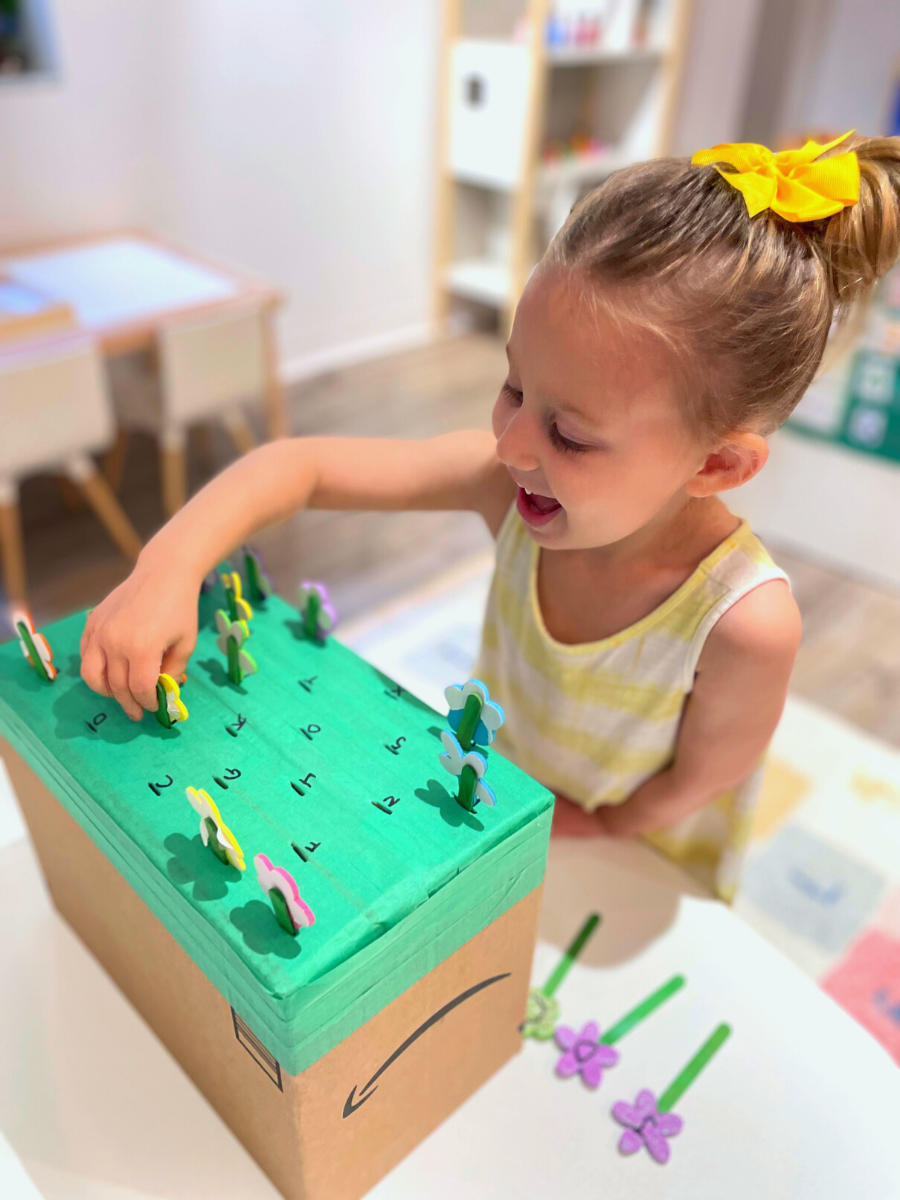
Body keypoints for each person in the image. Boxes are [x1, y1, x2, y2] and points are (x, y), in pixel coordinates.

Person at [80, 132, 900, 899]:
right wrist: (171, 565)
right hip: (509, 787)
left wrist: (598, 825)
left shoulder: (748, 624)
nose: (508, 444)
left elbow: (703, 780)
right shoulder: (503, 483)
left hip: (636, 857)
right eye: (513, 386)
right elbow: (300, 466)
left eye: (569, 434)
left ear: (717, 464)